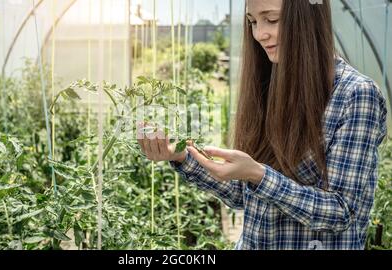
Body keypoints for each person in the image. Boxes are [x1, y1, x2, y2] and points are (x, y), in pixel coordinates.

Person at [137, 0, 388, 250]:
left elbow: (342, 212)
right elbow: (244, 195)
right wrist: (182, 156)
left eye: (272, 19)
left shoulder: (354, 95)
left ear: (309, 18)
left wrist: (258, 174)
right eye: (253, 22)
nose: (259, 34)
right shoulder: (269, 83)